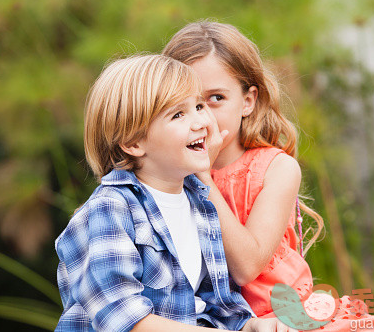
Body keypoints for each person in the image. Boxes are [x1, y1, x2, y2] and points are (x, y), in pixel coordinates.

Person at [163, 21, 374, 332]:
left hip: (282, 318)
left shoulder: (276, 169)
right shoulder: (168, 179)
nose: (202, 116)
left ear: (247, 101)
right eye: (185, 105)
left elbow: (247, 268)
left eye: (215, 98)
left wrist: (203, 179)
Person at [54, 54, 292, 331]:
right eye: (178, 114)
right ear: (133, 142)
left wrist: (251, 326)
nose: (201, 122)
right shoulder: (110, 210)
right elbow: (125, 321)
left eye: (199, 106)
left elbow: (210, 306)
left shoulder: (199, 203)